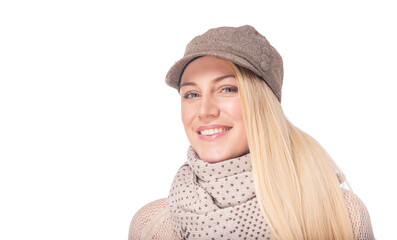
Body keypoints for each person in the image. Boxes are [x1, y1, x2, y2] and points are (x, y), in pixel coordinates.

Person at [129, 25, 374, 240]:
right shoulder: (151, 226)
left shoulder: (340, 215)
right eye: (192, 94)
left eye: (227, 89)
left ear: (262, 104)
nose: (204, 111)